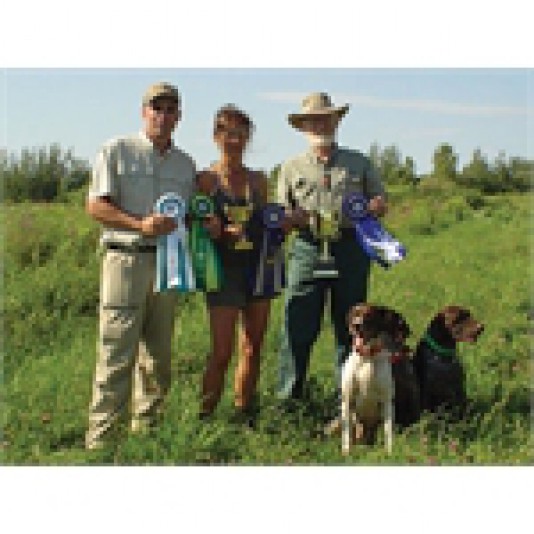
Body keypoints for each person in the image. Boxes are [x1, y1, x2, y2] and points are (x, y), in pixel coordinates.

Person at [85, 82, 205, 450]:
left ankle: (147, 433)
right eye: (157, 108)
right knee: (116, 352)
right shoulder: (116, 150)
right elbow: (96, 206)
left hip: (168, 266)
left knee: (158, 355)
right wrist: (140, 224)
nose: (163, 116)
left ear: (179, 117)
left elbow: (191, 213)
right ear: (144, 112)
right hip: (126, 259)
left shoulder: (186, 165)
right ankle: (102, 441)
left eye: (171, 110)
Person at [276, 92, 387, 403]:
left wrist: (376, 206)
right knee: (297, 325)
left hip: (350, 248)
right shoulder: (290, 168)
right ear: (303, 126)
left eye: (326, 117)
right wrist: (290, 218)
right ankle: (290, 400)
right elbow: (281, 213)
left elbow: (381, 200)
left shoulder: (359, 162)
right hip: (307, 249)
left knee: (352, 326)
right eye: (313, 119)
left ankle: (347, 403)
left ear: (336, 121)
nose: (320, 123)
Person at [196, 104, 272, 425]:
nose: (235, 139)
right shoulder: (206, 180)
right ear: (216, 136)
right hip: (223, 270)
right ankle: (205, 417)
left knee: (253, 346)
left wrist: (284, 223)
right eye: (228, 132)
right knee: (222, 352)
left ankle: (244, 413)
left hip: (256, 268)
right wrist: (214, 229)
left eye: (241, 133)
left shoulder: (258, 180)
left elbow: (268, 221)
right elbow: (195, 219)